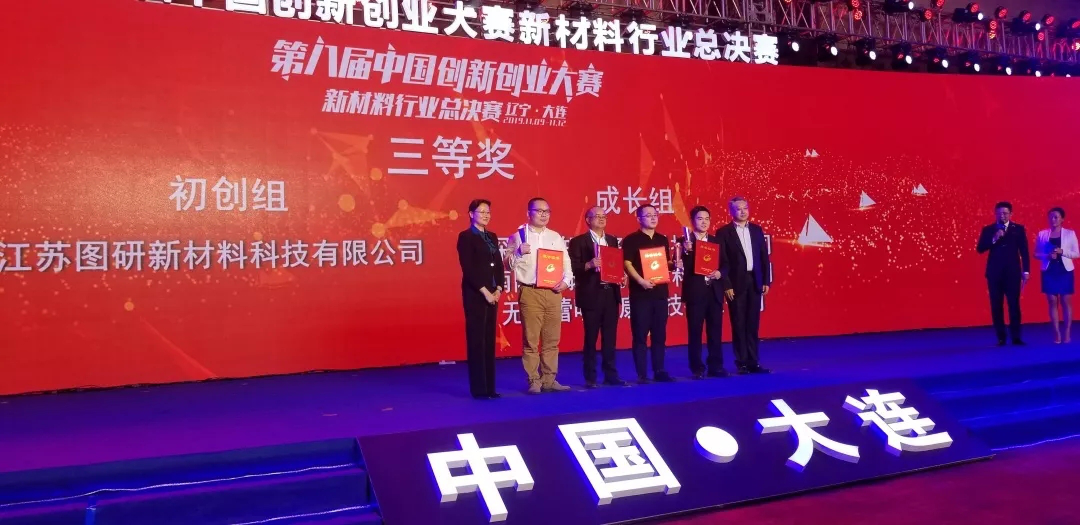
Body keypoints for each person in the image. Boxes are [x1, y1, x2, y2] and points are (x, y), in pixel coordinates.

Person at [505, 197, 573, 394]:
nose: (544, 215)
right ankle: (534, 380)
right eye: (539, 211)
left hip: (553, 292)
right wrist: (518, 252)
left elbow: (566, 263)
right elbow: (506, 265)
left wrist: (566, 281)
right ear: (529, 213)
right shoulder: (518, 236)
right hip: (530, 291)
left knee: (552, 340)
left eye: (547, 211)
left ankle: (549, 379)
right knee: (531, 340)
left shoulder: (555, 236)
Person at [569, 207, 629, 388]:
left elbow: (615, 264)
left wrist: (621, 275)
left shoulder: (612, 240)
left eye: (604, 216)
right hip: (591, 294)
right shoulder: (578, 241)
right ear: (588, 220)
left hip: (611, 293)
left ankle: (611, 374)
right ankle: (591, 377)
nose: (602, 219)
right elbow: (572, 267)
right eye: (597, 216)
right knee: (591, 337)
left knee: (610, 338)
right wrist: (588, 264)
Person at [455, 199, 506, 399]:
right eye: (482, 211)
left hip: (493, 293)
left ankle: (490, 388)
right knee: (477, 340)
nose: (486, 215)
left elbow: (499, 265)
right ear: (471, 214)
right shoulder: (466, 237)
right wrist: (485, 291)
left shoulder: (491, 236)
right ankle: (479, 389)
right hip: (476, 294)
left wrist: (499, 288)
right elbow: (468, 268)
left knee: (489, 340)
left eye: (488, 212)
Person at [717, 196, 771, 374]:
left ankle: (754, 362)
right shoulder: (724, 232)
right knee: (739, 323)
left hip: (754, 281)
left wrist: (765, 280)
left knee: (753, 324)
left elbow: (764, 257)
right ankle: (741, 363)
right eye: (738, 209)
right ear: (731, 212)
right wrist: (727, 284)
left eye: (745, 208)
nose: (742, 211)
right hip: (735, 283)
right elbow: (722, 261)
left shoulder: (756, 229)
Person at [621, 205, 675, 383]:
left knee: (660, 334)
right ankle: (642, 374)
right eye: (648, 215)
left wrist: (674, 264)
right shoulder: (631, 240)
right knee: (640, 334)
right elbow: (627, 264)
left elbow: (666, 264)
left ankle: (659, 370)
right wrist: (641, 281)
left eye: (655, 215)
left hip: (660, 293)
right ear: (639, 219)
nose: (653, 218)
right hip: (641, 294)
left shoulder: (662, 239)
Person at [678, 206, 727, 379]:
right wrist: (686, 250)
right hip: (695, 293)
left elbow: (726, 264)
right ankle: (697, 368)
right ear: (692, 221)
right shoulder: (684, 241)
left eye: (707, 219)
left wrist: (720, 273)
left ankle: (716, 366)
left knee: (715, 331)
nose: (704, 222)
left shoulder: (717, 241)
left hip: (714, 292)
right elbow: (679, 264)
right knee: (695, 331)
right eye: (700, 219)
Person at [977, 201, 1031, 346]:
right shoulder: (988, 229)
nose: (1002, 216)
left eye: (1005, 213)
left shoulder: (1018, 229)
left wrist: (1026, 270)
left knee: (1014, 304)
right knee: (996, 305)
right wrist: (994, 238)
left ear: (1011, 214)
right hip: (994, 273)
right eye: (999, 213)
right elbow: (980, 248)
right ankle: (1001, 337)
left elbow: (1024, 251)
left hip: (1012, 273)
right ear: (995, 214)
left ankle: (1016, 337)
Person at [1035, 207, 1077, 344]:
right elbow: (1036, 253)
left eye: (1056, 217)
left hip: (1065, 270)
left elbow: (1077, 254)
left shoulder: (1070, 234)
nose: (1053, 219)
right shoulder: (1042, 234)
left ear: (1062, 219)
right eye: (1051, 217)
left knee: (1065, 301)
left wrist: (1062, 251)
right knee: (1052, 301)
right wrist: (1046, 256)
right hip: (1049, 270)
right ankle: (1056, 333)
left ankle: (1067, 331)